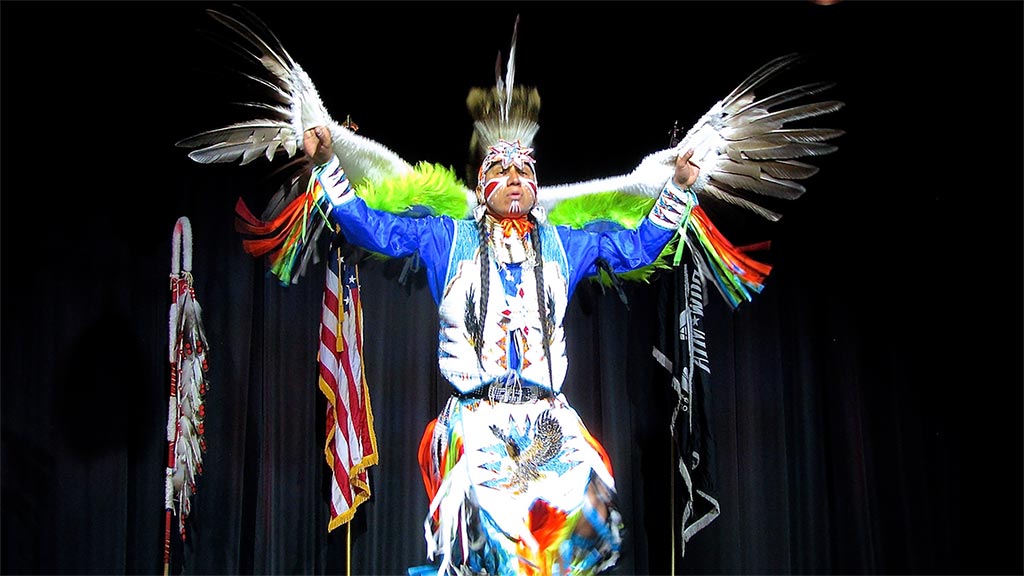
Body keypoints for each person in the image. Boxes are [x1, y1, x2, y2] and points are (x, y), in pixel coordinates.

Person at [300, 83, 701, 574]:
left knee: (591, 530)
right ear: (481, 182)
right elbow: (372, 228)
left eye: (524, 170)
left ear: (537, 182)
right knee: (491, 554)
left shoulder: (564, 245)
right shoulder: (446, 238)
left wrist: (679, 189)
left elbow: (635, 248)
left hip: (549, 421)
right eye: (500, 169)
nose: (514, 179)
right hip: (476, 420)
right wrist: (325, 166)